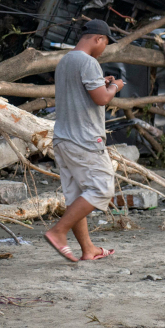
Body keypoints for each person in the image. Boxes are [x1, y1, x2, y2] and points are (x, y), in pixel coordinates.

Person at [44, 19, 124, 262]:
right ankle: (58, 232)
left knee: (78, 195)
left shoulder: (65, 61)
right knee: (102, 188)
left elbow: (85, 93)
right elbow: (101, 99)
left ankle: (88, 249)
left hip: (63, 138)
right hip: (85, 139)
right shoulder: (88, 62)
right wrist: (116, 87)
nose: (104, 49)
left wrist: (104, 83)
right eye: (105, 44)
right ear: (98, 38)